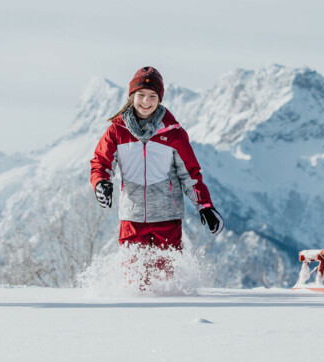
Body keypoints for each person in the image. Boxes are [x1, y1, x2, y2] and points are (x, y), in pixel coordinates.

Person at [90, 66, 224, 288]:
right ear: (132, 96)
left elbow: (190, 174)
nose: (146, 101)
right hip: (132, 218)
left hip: (167, 219)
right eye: (141, 95)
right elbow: (101, 162)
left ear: (159, 99)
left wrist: (205, 206)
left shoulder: (173, 133)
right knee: (134, 283)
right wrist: (100, 183)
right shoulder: (117, 131)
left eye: (152, 96)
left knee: (165, 284)